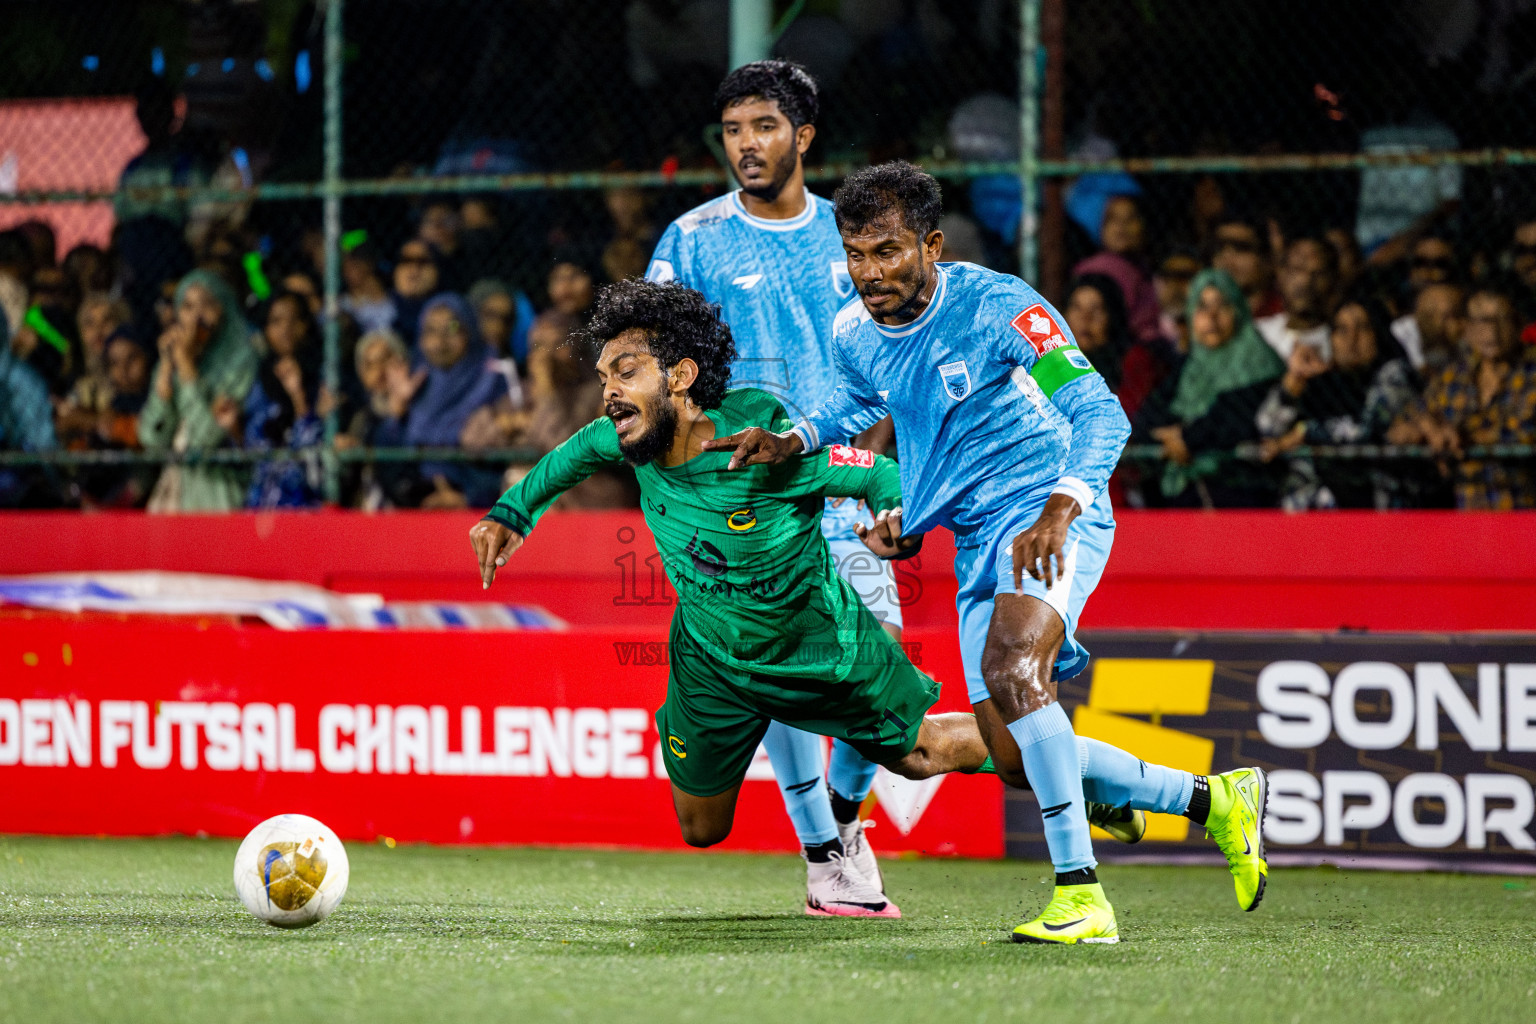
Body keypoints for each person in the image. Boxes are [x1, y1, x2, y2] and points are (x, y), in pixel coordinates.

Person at [471, 281, 1167, 917]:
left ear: (681, 378)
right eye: (604, 379)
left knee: (925, 754)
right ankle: (840, 839)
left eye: (625, 374)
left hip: (820, 643)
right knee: (702, 829)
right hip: (711, 658)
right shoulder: (624, 440)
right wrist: (509, 516)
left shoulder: (766, 449)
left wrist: (892, 516)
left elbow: (876, 471)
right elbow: (563, 461)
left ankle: (1091, 783)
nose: (608, 395)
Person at [705, 164, 1269, 944]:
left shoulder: (1000, 305)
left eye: (889, 251)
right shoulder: (853, 332)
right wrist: (794, 437)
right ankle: (1216, 801)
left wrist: (1061, 507)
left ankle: (1082, 897)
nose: (870, 272)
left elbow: (1100, 413)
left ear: (931, 244)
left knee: (1013, 668)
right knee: (1011, 754)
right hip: (975, 537)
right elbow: (858, 401)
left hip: (1049, 510)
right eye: (857, 253)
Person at [645, 60, 908, 910]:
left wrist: (876, 476)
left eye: (763, 126)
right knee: (787, 681)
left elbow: (892, 361)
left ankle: (839, 819)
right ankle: (827, 854)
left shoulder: (852, 239)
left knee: (880, 668)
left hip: (843, 479)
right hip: (747, 501)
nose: (746, 145)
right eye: (732, 130)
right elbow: (654, 372)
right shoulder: (689, 243)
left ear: (803, 137)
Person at [1136, 269, 1287, 508]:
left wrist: (1187, 438)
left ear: (1237, 311)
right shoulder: (1188, 368)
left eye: (1222, 305)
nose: (1212, 317)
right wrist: (1176, 438)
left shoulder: (1260, 363)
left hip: (1245, 494)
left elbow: (1238, 416)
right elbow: (1145, 421)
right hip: (1187, 497)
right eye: (1202, 307)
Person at [1256, 297, 1419, 510]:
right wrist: (1292, 385)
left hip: (1375, 500)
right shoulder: (1321, 384)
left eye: (1363, 328)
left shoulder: (1394, 376)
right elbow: (1268, 427)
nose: (1351, 340)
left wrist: (1305, 432)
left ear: (1378, 334)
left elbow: (1366, 430)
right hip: (1315, 506)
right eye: (1342, 330)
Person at [1400, 290, 1536, 509]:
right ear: (1467, 329)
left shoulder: (1531, 371)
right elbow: (1401, 427)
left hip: (1523, 514)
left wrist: (1459, 436)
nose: (1492, 331)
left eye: (1502, 320)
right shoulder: (1455, 375)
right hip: (1470, 516)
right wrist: (1427, 424)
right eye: (1482, 321)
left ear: (1518, 323)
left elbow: (1523, 433)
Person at [138, 269, 259, 511]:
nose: (196, 318)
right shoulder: (173, 361)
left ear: (224, 310)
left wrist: (186, 368)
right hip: (177, 498)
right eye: (187, 307)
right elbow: (152, 438)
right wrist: (164, 372)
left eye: (207, 305)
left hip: (221, 496)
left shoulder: (241, 364)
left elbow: (205, 439)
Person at [379, 294, 513, 509]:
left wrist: (468, 499)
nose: (440, 342)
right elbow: (387, 462)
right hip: (416, 507)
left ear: (470, 330)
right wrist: (397, 411)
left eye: (451, 328)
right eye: (430, 331)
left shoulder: (495, 379)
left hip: (480, 508)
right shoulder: (415, 382)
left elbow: (509, 458)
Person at [244, 291, 326, 508]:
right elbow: (256, 453)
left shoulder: (325, 378)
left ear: (306, 325)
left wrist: (299, 397)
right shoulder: (259, 385)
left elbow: (313, 463)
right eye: (276, 321)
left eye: (294, 320)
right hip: (266, 506)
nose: (286, 329)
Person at [1064, 272, 1174, 422]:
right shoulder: (1057, 361)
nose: (1085, 318)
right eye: (1077, 307)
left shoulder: (1135, 359)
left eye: (1097, 309)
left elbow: (1121, 422)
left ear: (1113, 316)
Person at [1071, 194, 1164, 344]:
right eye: (1113, 219)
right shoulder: (1090, 271)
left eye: (1130, 218)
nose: (1121, 226)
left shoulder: (1145, 271)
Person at [1256, 235, 1337, 362]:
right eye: (1297, 269)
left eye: (1318, 273)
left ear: (1332, 281)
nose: (1305, 281)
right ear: (1281, 275)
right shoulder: (1258, 334)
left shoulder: (1339, 343)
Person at [1210, 214, 1281, 319]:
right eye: (1219, 248)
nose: (1227, 259)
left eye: (1240, 248)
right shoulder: (1201, 317)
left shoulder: (1283, 315)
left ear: (1266, 260)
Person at [1390, 281, 1465, 374]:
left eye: (1458, 314)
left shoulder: (1465, 345)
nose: (1459, 323)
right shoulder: (1402, 332)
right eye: (1447, 316)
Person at [390, 239, 442, 347]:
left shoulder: (452, 309)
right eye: (406, 260)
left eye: (422, 261)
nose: (414, 269)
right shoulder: (378, 307)